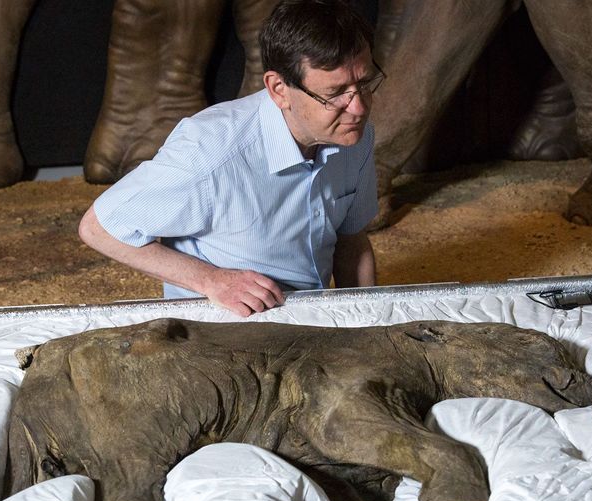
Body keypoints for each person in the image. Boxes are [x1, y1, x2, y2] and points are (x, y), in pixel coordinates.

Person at [79, 0, 384, 317]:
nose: (359, 108)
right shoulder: (210, 151)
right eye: (334, 94)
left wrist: (367, 321)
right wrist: (211, 280)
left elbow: (351, 241)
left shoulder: (353, 136)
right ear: (278, 89)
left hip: (310, 319)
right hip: (220, 331)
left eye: (363, 84)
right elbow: (99, 227)